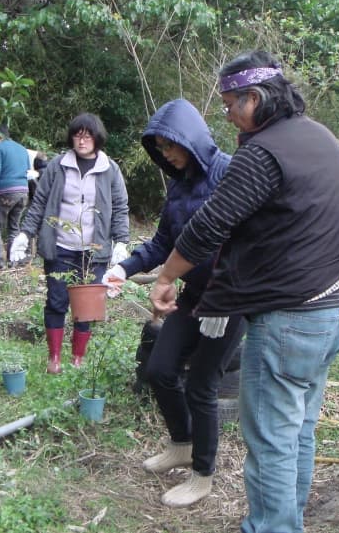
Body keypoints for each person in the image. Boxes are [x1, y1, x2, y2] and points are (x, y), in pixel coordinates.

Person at [149, 50, 339, 532]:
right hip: (333, 310)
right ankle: (288, 521)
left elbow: (208, 228)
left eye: (230, 104)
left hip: (289, 320)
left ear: (255, 98)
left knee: (270, 441)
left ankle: (271, 526)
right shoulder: (321, 138)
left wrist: (164, 277)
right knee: (297, 431)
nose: (226, 115)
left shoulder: (263, 152)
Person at [101, 99, 245, 507]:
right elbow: (166, 242)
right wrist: (123, 268)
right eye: (160, 148)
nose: (166, 154)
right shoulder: (179, 186)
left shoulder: (230, 172)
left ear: (190, 138)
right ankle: (181, 443)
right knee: (161, 369)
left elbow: (243, 237)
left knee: (201, 384)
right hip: (193, 297)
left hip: (229, 301)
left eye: (170, 145)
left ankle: (203, 473)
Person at [10, 113, 129, 374]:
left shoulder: (110, 170)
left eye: (88, 135)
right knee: (56, 300)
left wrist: (121, 241)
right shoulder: (57, 165)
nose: (82, 140)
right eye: (77, 134)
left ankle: (78, 358)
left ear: (97, 138)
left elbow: (120, 207)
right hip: (60, 246)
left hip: (93, 250)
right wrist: (25, 233)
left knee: (86, 308)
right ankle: (54, 358)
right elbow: (40, 202)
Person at [0, 123, 31, 270]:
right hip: (23, 191)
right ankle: (15, 261)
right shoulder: (22, 149)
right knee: (14, 227)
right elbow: (28, 170)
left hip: (6, 192)